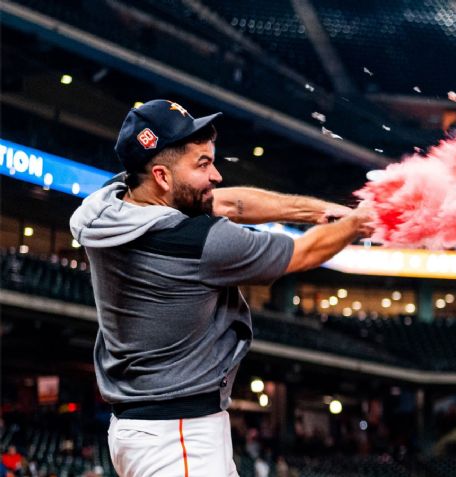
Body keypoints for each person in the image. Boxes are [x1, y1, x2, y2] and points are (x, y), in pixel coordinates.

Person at [69, 99, 372, 476]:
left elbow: (230, 204)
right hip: (178, 435)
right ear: (162, 176)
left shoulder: (108, 204)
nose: (216, 176)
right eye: (202, 164)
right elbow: (304, 253)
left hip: (142, 429)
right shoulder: (198, 242)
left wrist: (317, 211)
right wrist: (358, 222)